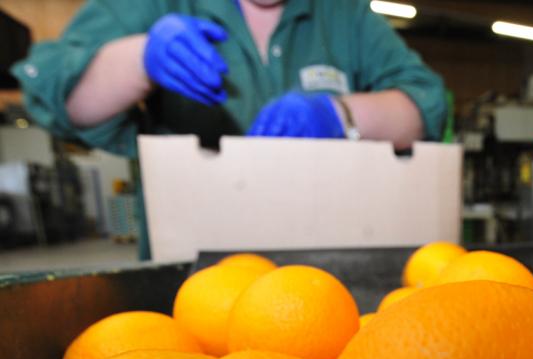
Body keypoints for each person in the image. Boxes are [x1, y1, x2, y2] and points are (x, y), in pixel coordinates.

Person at [12, 0, 447, 256]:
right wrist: (141, 59)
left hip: (322, 269)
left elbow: (426, 103)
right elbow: (54, 91)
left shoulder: (343, 14)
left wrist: (341, 114)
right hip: (192, 269)